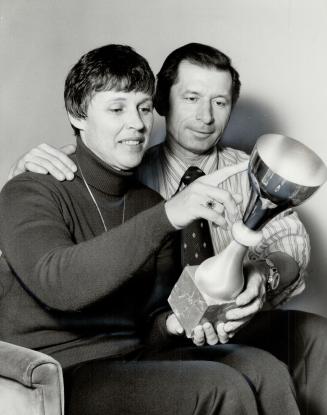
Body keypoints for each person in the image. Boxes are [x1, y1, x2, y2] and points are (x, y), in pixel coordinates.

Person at [11, 42, 327, 415]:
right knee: (219, 386)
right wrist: (170, 215)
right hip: (67, 370)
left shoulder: (151, 198)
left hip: (150, 348)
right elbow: (58, 281)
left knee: (266, 369)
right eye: (117, 109)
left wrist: (182, 321)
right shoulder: (42, 182)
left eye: (142, 108)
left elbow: (154, 318)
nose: (136, 122)